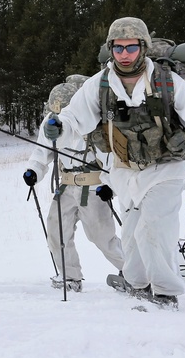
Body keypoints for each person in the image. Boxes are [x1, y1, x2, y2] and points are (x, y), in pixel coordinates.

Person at [45, 17, 185, 309]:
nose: (124, 54)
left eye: (130, 47)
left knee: (154, 226)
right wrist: (59, 127)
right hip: (125, 172)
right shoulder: (100, 84)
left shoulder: (168, 82)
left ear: (142, 47)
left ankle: (165, 292)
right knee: (131, 233)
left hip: (166, 168)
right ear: (110, 50)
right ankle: (138, 284)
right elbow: (75, 118)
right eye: (117, 48)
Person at [23, 75, 124, 292]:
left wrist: (109, 185)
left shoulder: (96, 124)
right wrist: (33, 171)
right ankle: (69, 276)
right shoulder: (50, 123)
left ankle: (132, 271)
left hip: (94, 188)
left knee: (102, 237)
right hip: (66, 186)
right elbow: (42, 152)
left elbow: (110, 157)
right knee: (56, 231)